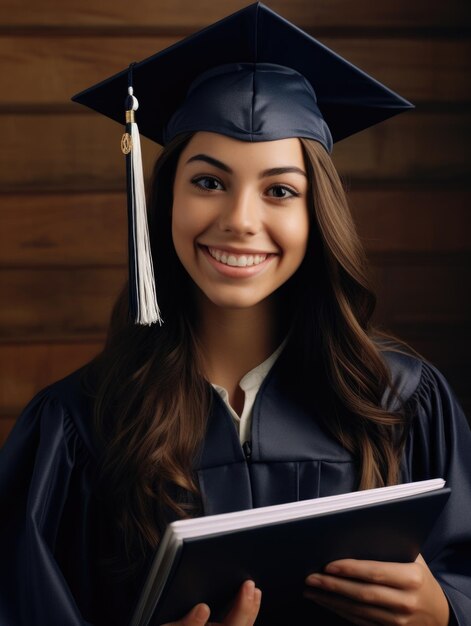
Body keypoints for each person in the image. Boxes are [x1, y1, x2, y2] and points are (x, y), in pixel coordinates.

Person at [1, 3, 470, 625]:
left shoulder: (402, 401)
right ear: (166, 198)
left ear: (316, 215)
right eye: (209, 182)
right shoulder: (78, 428)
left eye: (279, 190)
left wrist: (449, 610)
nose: (241, 220)